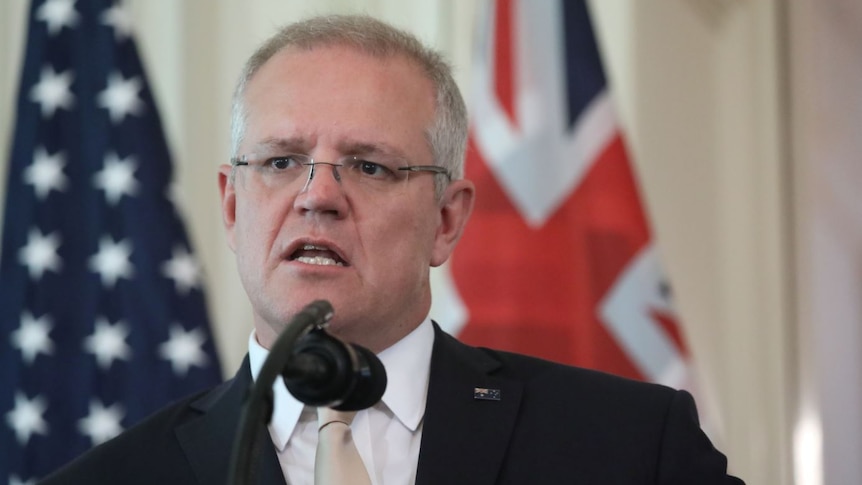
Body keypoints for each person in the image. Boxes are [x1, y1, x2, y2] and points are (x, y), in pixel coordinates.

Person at [41, 14, 744, 485]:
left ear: (446, 218)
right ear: (232, 203)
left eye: (370, 166)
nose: (317, 195)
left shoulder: (628, 447)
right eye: (283, 161)